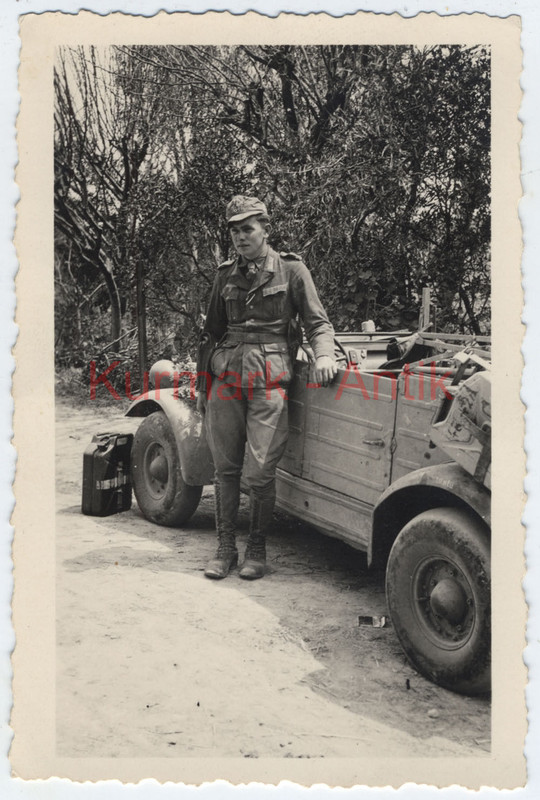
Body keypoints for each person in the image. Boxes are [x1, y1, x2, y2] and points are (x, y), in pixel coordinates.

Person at [197, 195, 337, 580]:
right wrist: (201, 387)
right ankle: (225, 549)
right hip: (226, 379)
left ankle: (256, 551)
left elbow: (318, 323)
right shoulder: (225, 274)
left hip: (270, 381)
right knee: (225, 468)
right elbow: (210, 334)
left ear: (265, 229)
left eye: (248, 229)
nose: (240, 237)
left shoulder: (292, 270)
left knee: (259, 471)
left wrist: (324, 355)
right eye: (234, 231)